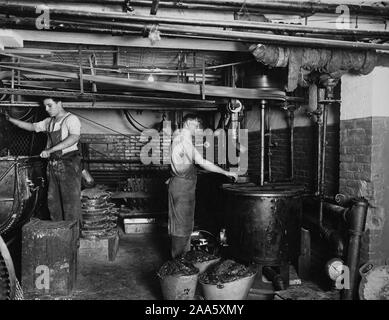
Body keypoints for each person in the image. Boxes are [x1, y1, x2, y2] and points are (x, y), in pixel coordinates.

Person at [168, 114, 238, 259]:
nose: (197, 127)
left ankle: (183, 262)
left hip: (182, 186)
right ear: (187, 123)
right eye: (195, 124)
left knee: (185, 225)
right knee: (181, 227)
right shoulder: (183, 139)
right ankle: (179, 264)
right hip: (182, 188)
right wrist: (225, 172)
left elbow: (181, 164)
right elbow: (202, 162)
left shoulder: (180, 137)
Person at [6, 98, 82, 223]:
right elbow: (31, 127)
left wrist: (50, 150)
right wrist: (10, 119)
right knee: (54, 203)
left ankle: (73, 238)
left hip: (68, 165)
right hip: (53, 165)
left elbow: (73, 138)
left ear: (59, 103)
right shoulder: (49, 121)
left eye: (49, 105)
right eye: (45, 106)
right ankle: (58, 234)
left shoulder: (71, 119)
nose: (46, 109)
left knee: (71, 204)